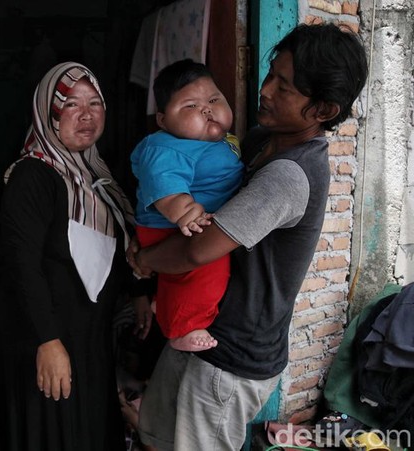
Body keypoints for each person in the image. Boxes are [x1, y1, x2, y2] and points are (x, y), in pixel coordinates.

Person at [128, 23, 368, 450]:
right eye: (271, 74)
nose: (266, 90)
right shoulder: (257, 141)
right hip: (199, 328)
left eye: (284, 87)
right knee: (155, 438)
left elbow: (199, 249)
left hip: (231, 357)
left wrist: (144, 260)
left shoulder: (289, 175)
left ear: (323, 110)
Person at [0, 61, 135, 450]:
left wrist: (138, 295)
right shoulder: (33, 176)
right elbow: (20, 264)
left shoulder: (97, 177)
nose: (87, 115)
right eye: (71, 104)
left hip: (89, 339)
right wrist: (48, 340)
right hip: (49, 340)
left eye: (94, 103)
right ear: (48, 112)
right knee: (56, 433)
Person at [130, 59, 244, 352]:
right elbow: (163, 184)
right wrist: (186, 212)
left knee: (191, 274)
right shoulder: (166, 147)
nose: (207, 110)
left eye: (214, 100)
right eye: (191, 106)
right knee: (209, 268)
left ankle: (167, 304)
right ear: (163, 120)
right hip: (171, 225)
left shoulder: (218, 141)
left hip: (186, 225)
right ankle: (183, 328)